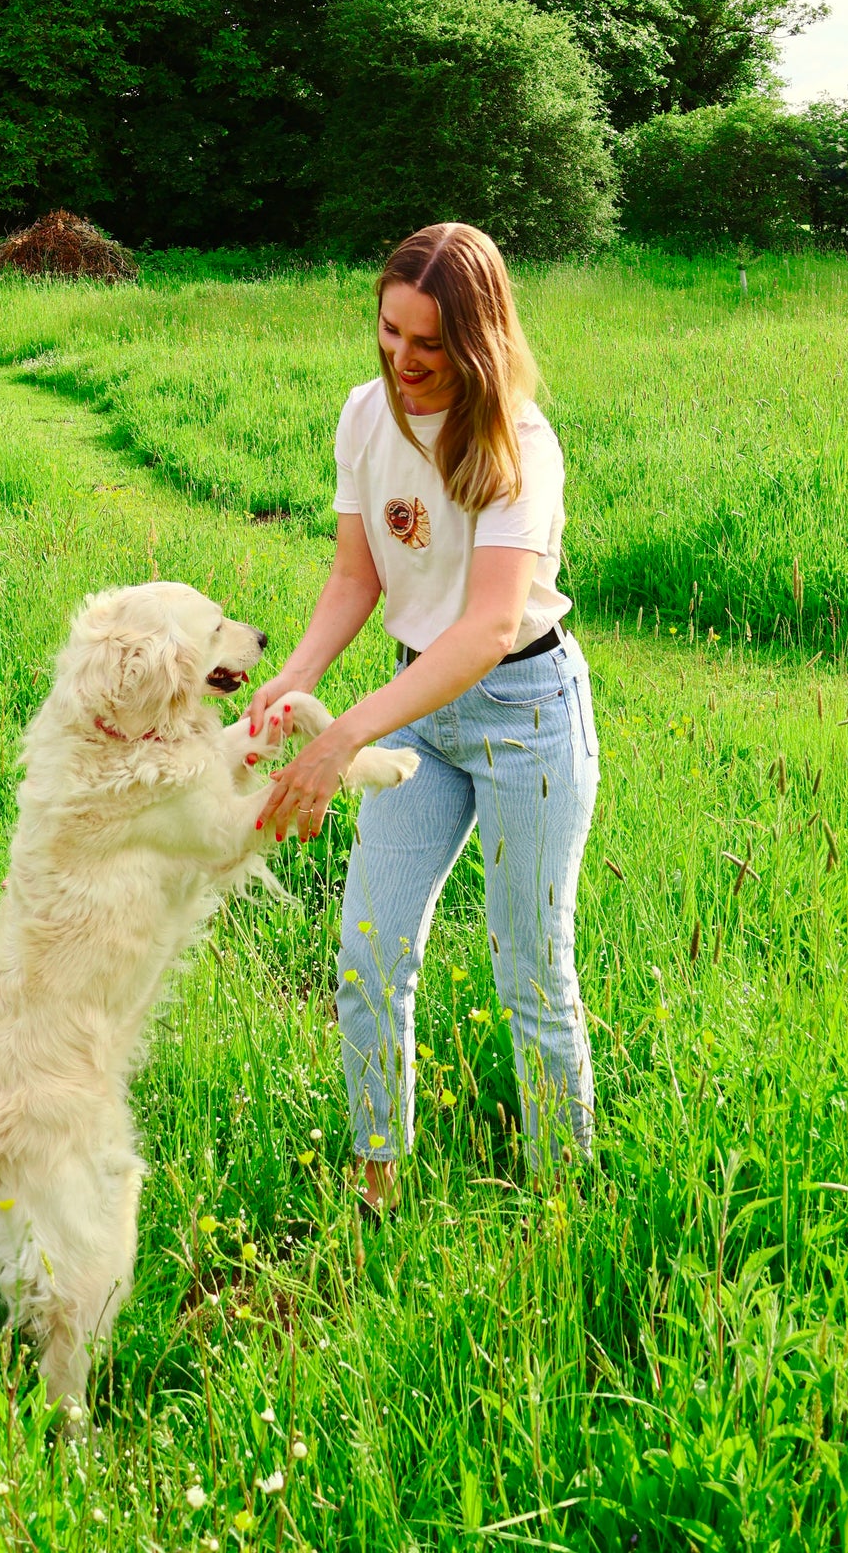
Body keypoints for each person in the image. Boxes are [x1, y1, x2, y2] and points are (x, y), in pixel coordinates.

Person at [248, 222, 599, 1211]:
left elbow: (489, 622)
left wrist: (347, 728)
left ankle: (557, 1203)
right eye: (389, 332)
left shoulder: (516, 442)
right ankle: (377, 1183)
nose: (402, 359)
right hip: (418, 714)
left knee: (531, 971)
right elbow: (355, 572)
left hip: (524, 711)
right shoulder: (367, 415)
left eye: (428, 344)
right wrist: (297, 675)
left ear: (476, 344)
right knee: (367, 954)